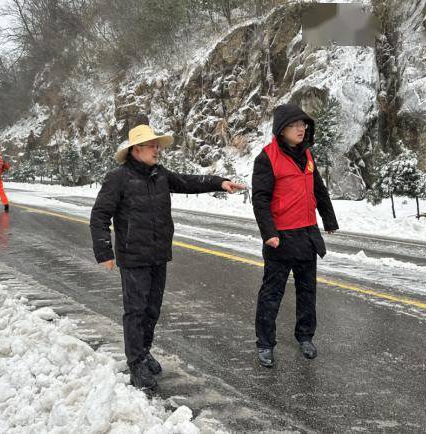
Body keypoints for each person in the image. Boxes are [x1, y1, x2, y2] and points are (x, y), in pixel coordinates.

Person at [90, 124, 245, 390]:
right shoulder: (119, 177)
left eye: (157, 145)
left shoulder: (159, 175)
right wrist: (104, 251)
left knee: (152, 309)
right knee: (135, 311)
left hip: (158, 254)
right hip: (133, 256)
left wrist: (219, 182)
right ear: (136, 150)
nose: (157, 150)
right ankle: (135, 362)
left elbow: (188, 181)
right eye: (152, 146)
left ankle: (144, 349)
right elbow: (99, 216)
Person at [251, 103, 339, 368]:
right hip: (281, 237)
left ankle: (305, 336)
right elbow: (260, 199)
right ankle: (265, 343)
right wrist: (269, 233)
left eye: (303, 124)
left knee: (307, 291)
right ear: (282, 130)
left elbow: (318, 189)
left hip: (307, 235)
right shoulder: (267, 158)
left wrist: (328, 218)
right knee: (272, 293)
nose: (301, 129)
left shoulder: (307, 155)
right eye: (294, 125)